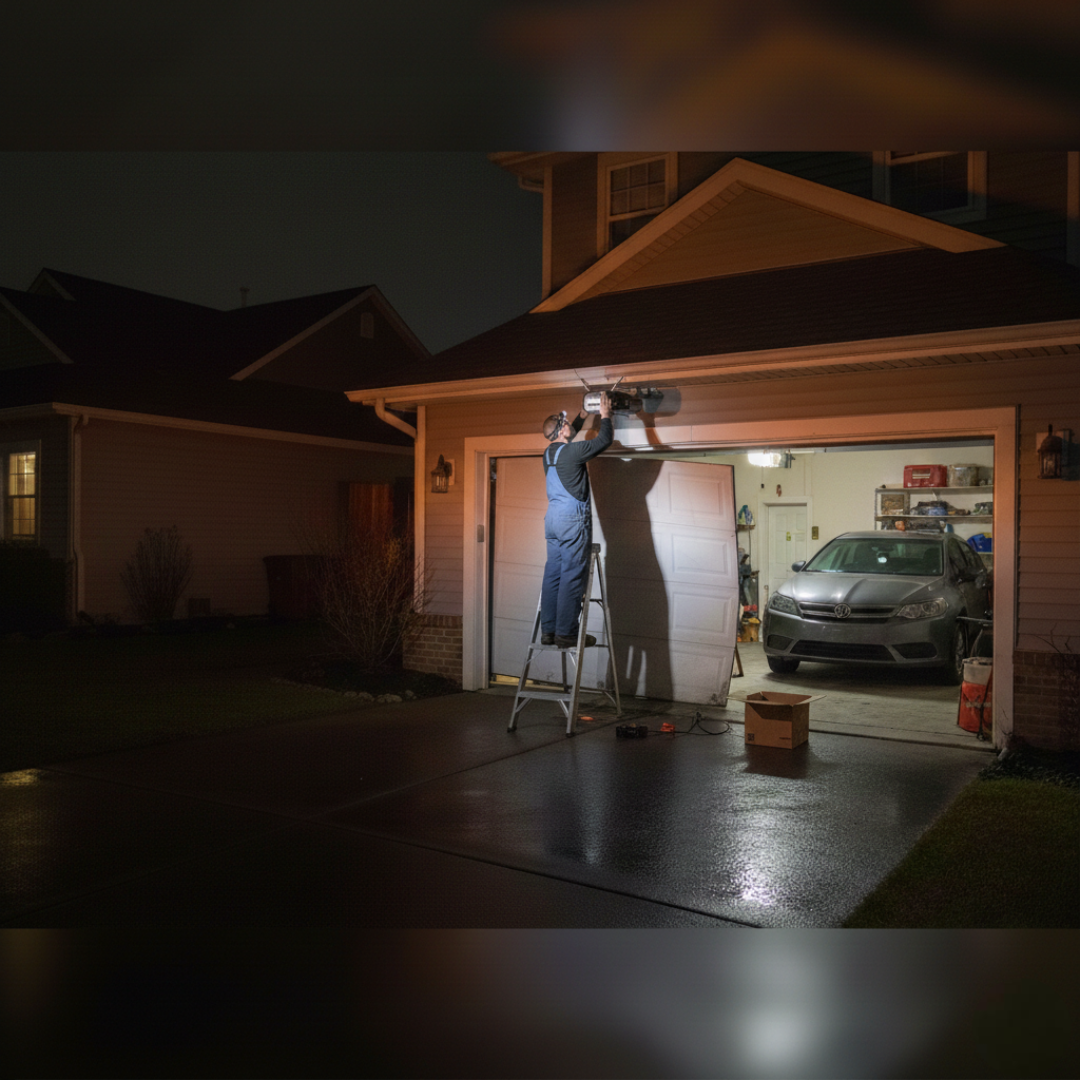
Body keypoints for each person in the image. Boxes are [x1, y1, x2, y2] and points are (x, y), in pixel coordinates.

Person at [539, 391, 614, 647]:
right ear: (562, 430)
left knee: (554, 574)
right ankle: (567, 634)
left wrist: (582, 416)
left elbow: (568, 433)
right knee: (572, 574)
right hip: (571, 520)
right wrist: (605, 415)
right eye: (567, 422)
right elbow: (604, 439)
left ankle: (548, 631)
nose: (571, 423)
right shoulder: (573, 453)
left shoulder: (548, 455)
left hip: (553, 520)